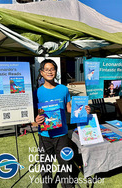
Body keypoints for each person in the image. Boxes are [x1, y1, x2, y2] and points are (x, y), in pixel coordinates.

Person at [34, 59, 89, 188]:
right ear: (41, 72)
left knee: (65, 165)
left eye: (52, 69)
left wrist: (84, 111)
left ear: (56, 71)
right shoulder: (37, 92)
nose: (49, 72)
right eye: (46, 69)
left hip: (62, 135)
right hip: (45, 136)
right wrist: (36, 120)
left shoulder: (63, 89)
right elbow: (35, 114)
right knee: (46, 167)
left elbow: (69, 108)